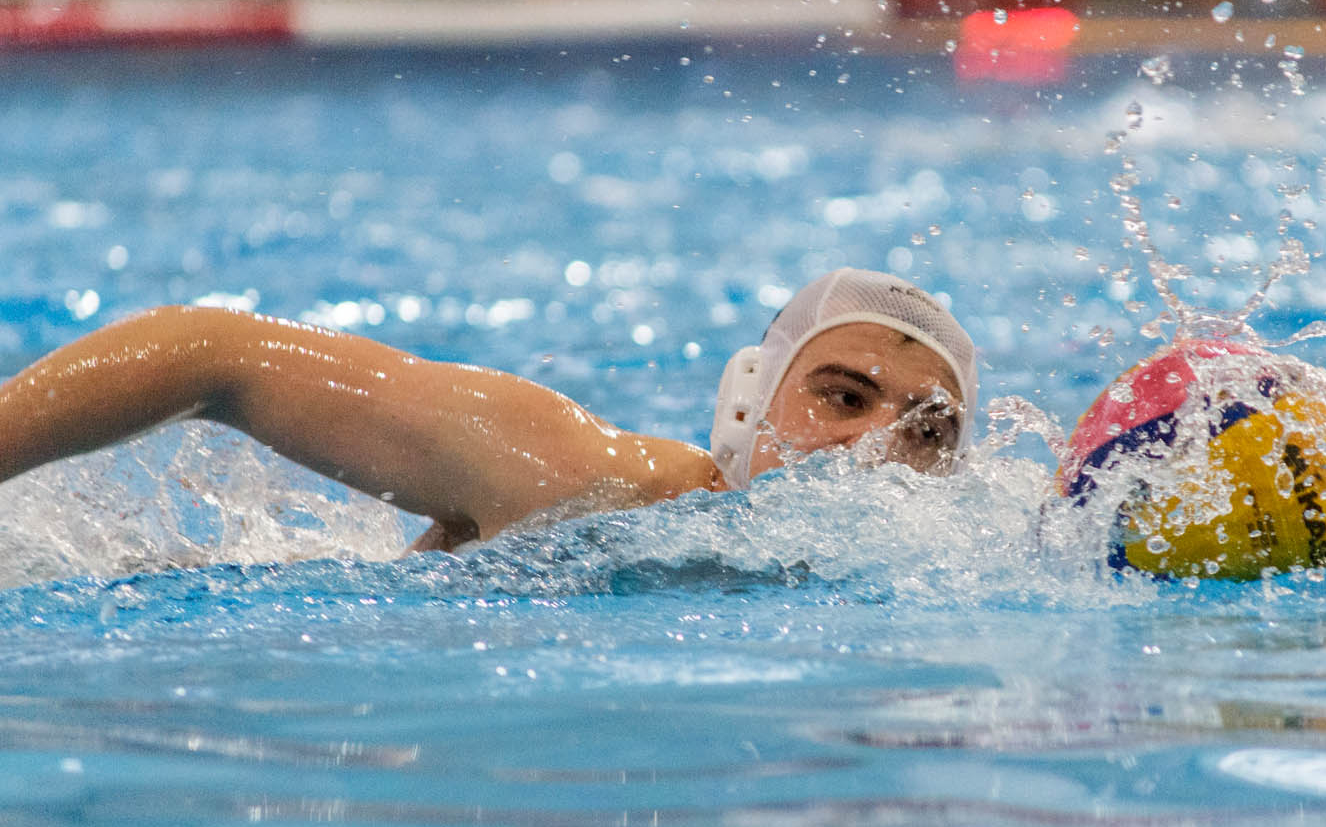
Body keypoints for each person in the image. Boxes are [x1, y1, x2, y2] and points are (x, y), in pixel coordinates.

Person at [0, 268, 977, 553]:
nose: (877, 441)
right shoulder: (594, 485)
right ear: (746, 410)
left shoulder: (963, 577)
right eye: (840, 395)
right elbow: (212, 351)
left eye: (928, 428)